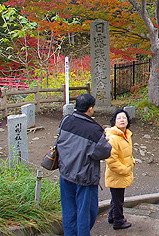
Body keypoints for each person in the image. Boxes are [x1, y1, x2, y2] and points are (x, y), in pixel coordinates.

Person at [57, 93, 112, 236]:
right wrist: (106, 140)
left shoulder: (66, 121)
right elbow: (104, 152)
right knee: (86, 211)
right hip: (84, 177)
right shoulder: (94, 130)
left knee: (68, 209)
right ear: (90, 108)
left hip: (65, 173)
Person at [105, 108, 135, 230]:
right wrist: (124, 170)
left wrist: (131, 163)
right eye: (119, 118)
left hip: (123, 171)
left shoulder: (126, 135)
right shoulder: (113, 137)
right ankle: (118, 220)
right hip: (117, 173)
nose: (122, 120)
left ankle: (112, 216)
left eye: (124, 118)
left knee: (116, 198)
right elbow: (111, 159)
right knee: (118, 199)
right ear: (114, 121)